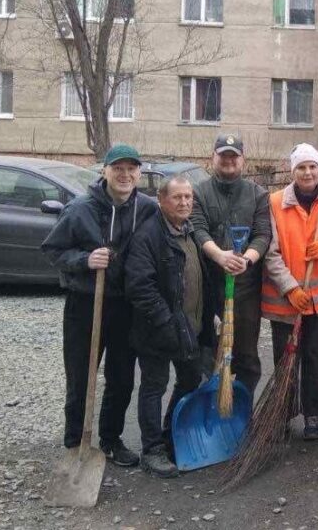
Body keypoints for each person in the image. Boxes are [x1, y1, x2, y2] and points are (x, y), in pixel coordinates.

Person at [42, 143, 158, 468]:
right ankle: (75, 441)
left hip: (126, 306)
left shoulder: (147, 209)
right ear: (104, 171)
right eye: (117, 168)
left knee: (122, 378)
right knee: (81, 377)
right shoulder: (80, 209)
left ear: (138, 173)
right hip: (85, 304)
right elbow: (53, 250)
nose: (124, 175)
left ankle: (110, 439)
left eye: (130, 169)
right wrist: (85, 259)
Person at [124, 175, 207, 478]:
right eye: (177, 198)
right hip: (157, 330)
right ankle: (152, 450)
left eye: (188, 197)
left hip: (190, 328)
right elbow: (140, 287)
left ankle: (170, 432)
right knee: (154, 386)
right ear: (161, 200)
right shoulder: (148, 236)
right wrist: (166, 322)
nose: (184, 202)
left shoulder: (190, 231)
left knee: (190, 379)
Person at [261, 143, 318, 441]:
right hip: (285, 299)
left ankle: (312, 415)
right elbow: (269, 252)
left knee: (314, 356)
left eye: (312, 167)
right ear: (292, 170)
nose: (307, 172)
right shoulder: (273, 202)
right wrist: (290, 287)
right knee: (286, 359)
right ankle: (282, 414)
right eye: (301, 167)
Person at [190, 134, 272, 395]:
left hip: (245, 287)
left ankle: (240, 407)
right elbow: (199, 230)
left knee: (246, 354)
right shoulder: (199, 192)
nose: (228, 161)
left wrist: (246, 259)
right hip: (209, 284)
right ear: (213, 158)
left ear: (242, 161)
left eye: (233, 156)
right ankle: (209, 402)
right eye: (223, 155)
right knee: (207, 351)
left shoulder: (257, 194)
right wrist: (220, 256)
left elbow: (262, 234)